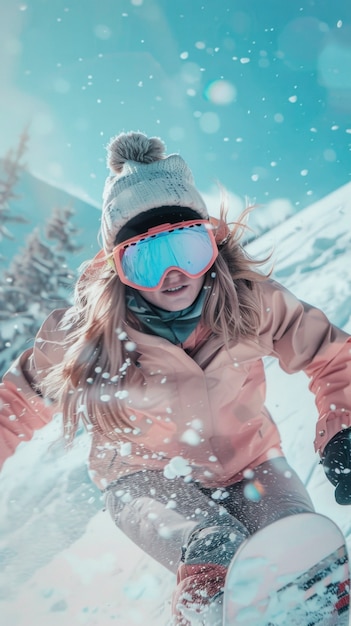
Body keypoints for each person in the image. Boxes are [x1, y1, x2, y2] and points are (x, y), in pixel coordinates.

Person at [0, 131, 351, 625]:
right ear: (117, 269)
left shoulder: (252, 302)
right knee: (216, 549)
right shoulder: (85, 334)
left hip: (252, 466)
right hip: (147, 480)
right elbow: (11, 407)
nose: (172, 274)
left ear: (210, 244)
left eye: (186, 248)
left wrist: (343, 427)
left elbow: (333, 357)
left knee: (298, 546)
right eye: (145, 258)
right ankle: (207, 611)